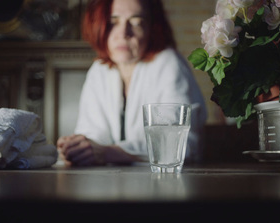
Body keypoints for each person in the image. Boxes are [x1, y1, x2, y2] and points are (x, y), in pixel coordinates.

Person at [57, 0, 207, 166]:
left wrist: (109, 153)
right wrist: (78, 148)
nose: (123, 33)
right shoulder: (99, 70)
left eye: (136, 22)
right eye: (113, 22)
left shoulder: (168, 64)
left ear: (152, 28)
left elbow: (178, 146)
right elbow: (93, 136)